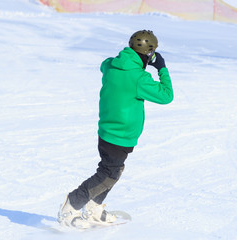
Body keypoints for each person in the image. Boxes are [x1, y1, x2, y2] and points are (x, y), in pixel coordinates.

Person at [58, 30, 174, 228]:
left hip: (107, 131)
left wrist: (139, 59)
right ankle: (72, 204)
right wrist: (161, 67)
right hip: (120, 135)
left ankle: (94, 208)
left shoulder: (111, 65)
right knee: (108, 174)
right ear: (149, 53)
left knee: (113, 170)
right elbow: (166, 95)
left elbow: (105, 63)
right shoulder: (139, 78)